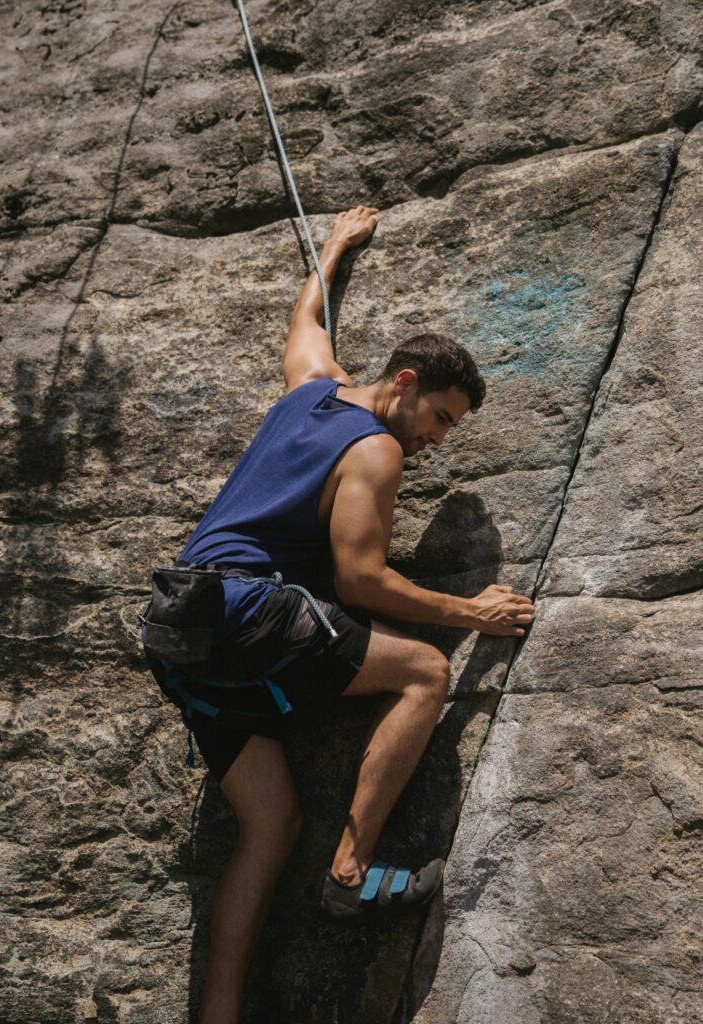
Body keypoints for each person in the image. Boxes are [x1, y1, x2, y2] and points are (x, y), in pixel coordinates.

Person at [142, 205, 535, 1024]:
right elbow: (359, 582)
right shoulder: (376, 449)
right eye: (440, 418)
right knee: (425, 671)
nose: (436, 440)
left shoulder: (308, 389)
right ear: (403, 385)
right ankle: (350, 873)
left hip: (180, 629)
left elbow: (305, 320)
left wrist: (333, 246)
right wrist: (472, 612)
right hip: (250, 614)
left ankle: (216, 1015)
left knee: (271, 823)